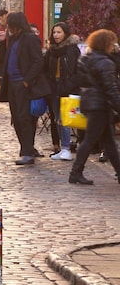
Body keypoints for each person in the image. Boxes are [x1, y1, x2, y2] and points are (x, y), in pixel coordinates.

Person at [68, 29, 120, 185]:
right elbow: (110, 87)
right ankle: (75, 173)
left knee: (109, 141)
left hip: (90, 102)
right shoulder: (105, 62)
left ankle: (118, 172)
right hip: (100, 105)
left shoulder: (85, 59)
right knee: (89, 140)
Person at [0, 12, 51, 166]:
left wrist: (27, 81)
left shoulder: (30, 38)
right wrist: (1, 43)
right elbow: (5, 60)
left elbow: (37, 61)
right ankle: (26, 148)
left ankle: (28, 152)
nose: (8, 28)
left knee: (25, 118)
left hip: (23, 85)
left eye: (10, 25)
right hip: (13, 84)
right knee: (17, 118)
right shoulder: (14, 39)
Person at [44, 22, 81, 160]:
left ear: (65, 33)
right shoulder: (51, 50)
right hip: (54, 87)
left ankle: (66, 148)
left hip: (68, 87)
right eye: (54, 32)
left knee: (65, 118)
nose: (56, 35)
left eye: (59, 32)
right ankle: (63, 147)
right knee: (57, 118)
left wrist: (71, 84)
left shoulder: (72, 49)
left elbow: (78, 71)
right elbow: (45, 68)